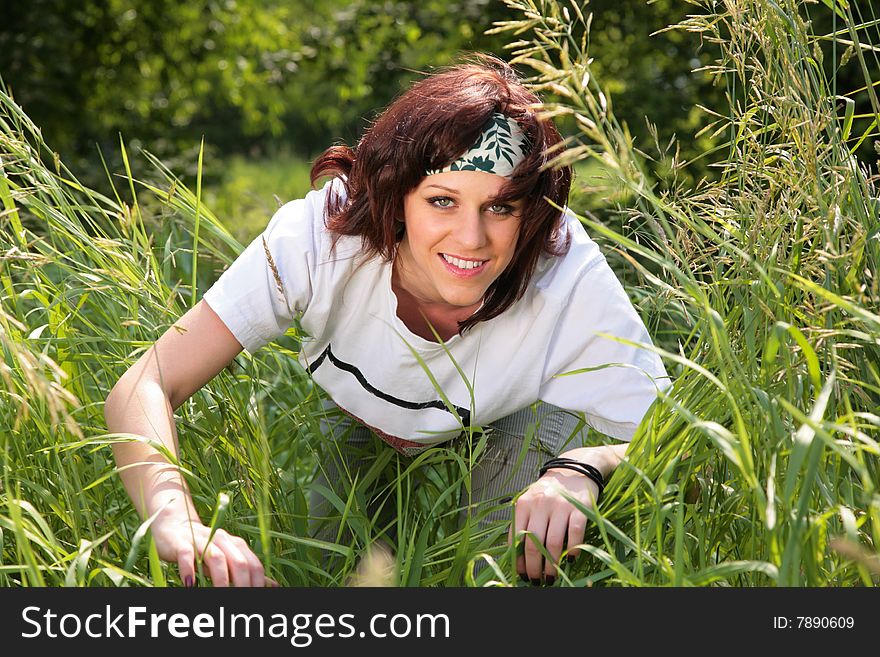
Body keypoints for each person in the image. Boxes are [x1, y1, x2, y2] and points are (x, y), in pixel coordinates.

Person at [104, 55, 670, 588]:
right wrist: (175, 520)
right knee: (335, 569)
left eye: (500, 207)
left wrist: (585, 466)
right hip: (358, 412)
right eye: (442, 201)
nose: (471, 239)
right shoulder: (323, 237)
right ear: (396, 195)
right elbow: (147, 381)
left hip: (510, 420)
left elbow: (680, 447)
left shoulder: (565, 272)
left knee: (498, 567)